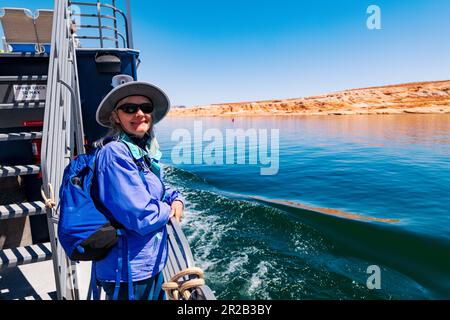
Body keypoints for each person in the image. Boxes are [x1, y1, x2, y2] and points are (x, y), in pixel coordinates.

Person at [92, 80, 184, 300]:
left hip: (149, 264)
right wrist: (167, 210)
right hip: (127, 273)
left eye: (146, 108)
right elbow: (142, 216)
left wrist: (176, 198)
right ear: (116, 116)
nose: (140, 113)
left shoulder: (139, 152)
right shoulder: (114, 154)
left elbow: (156, 187)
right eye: (130, 108)